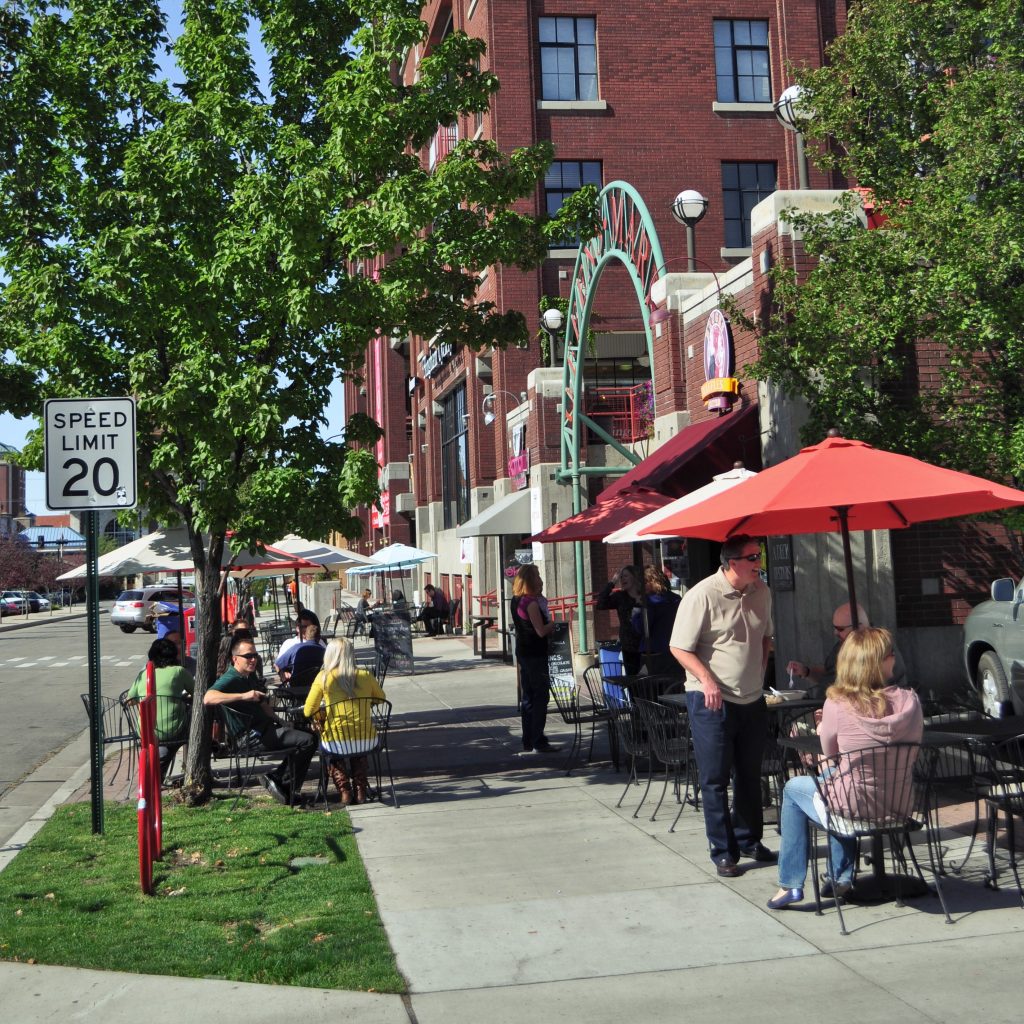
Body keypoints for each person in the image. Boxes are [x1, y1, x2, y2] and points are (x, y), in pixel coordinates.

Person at [768, 626, 924, 909]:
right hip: (901, 804)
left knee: (794, 788)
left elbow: (830, 754)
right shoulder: (911, 701)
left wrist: (822, 726)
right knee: (834, 780)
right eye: (890, 654)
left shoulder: (837, 705)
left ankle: (790, 884)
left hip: (853, 806)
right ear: (881, 662)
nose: (894, 659)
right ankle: (840, 875)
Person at [669, 535, 775, 877]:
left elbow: (766, 636)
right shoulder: (702, 594)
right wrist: (707, 681)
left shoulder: (762, 592)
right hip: (711, 698)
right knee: (714, 778)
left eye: (759, 555)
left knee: (749, 773)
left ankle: (748, 839)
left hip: (752, 696)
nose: (759, 562)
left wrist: (760, 670)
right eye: (752, 557)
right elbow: (679, 647)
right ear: (732, 562)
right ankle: (723, 851)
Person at [204, 635, 316, 805]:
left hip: (267, 729)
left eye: (255, 655)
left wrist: (281, 721)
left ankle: (281, 782)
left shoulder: (250, 676)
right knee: (307, 741)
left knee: (309, 735)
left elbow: (262, 703)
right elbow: (208, 698)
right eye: (248, 656)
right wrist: (244, 695)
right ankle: (283, 783)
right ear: (235, 659)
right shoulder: (230, 678)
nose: (253, 659)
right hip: (251, 737)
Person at [303, 638, 387, 805]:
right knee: (358, 753)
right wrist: (363, 704)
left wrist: (324, 710)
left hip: (337, 741)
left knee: (334, 754)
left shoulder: (324, 678)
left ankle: (345, 792)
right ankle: (360, 791)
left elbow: (308, 710)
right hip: (367, 740)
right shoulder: (365, 675)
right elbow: (381, 699)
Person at [786, 602, 908, 696]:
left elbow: (866, 690)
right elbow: (830, 674)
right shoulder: (842, 645)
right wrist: (806, 671)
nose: (835, 632)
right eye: (835, 627)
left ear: (858, 627)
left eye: (840, 629)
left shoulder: (878, 649)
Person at [125, 638, 195, 778]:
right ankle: (208, 748)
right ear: (174, 654)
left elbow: (129, 701)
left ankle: (156, 770)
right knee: (194, 713)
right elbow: (198, 693)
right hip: (172, 730)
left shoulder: (144, 674)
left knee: (160, 750)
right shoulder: (178, 671)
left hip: (144, 730)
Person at [510, 564, 558, 755]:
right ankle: (538, 739)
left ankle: (528, 739)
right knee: (541, 696)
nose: (540, 578)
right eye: (537, 575)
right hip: (535, 653)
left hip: (523, 651)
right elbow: (540, 631)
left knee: (528, 696)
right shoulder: (531, 603)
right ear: (531, 579)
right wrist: (553, 624)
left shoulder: (517, 600)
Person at [632, 566, 682, 676]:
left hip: (653, 652)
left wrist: (636, 609)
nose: (641, 586)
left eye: (643, 582)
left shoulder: (649, 602)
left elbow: (641, 628)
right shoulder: (677, 599)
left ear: (652, 581)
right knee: (671, 688)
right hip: (675, 651)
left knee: (650, 688)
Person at [596, 565, 643, 675]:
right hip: (629, 645)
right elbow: (600, 604)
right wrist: (612, 582)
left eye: (625, 576)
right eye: (621, 577)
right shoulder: (620, 597)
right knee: (632, 681)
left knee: (648, 683)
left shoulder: (646, 595)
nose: (622, 579)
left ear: (635, 577)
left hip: (646, 644)